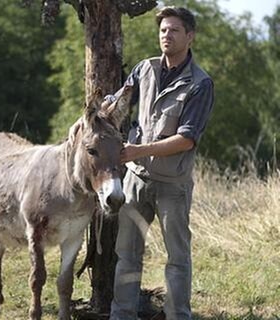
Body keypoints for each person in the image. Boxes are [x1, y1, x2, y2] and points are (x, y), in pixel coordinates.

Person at [108, 6, 214, 320]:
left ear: (190, 36)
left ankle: (178, 316)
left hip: (173, 186)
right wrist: (102, 106)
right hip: (136, 181)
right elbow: (118, 102)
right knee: (126, 255)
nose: (166, 35)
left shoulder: (200, 83)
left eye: (174, 30)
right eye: (163, 30)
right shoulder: (144, 69)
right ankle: (122, 315)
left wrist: (138, 151)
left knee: (177, 259)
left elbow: (187, 139)